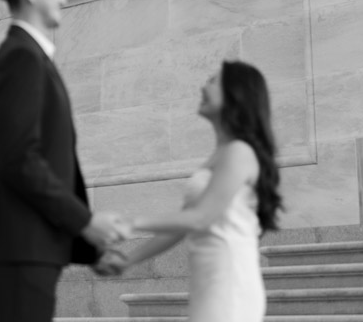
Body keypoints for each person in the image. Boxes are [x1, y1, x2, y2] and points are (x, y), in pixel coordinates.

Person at [0, 0, 124, 322]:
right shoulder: (21, 57)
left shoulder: (31, 57)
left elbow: (54, 162)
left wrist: (87, 243)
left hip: (32, 247)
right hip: (22, 247)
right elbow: (19, 160)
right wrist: (86, 222)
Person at [100, 60, 282, 322]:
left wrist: (130, 222)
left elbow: (201, 217)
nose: (202, 87)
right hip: (208, 283)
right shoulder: (220, 155)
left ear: (236, 93)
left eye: (212, 80)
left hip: (230, 283)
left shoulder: (238, 152)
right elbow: (183, 224)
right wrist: (130, 260)